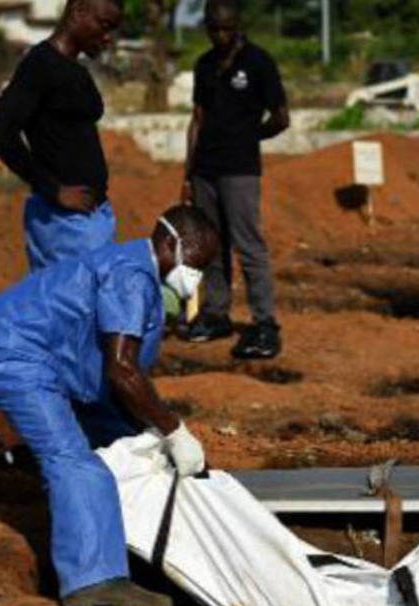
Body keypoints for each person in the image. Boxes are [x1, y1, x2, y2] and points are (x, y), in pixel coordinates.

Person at [0, 205, 218, 606]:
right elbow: (121, 369)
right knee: (74, 460)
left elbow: (120, 375)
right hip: (17, 355)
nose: (195, 278)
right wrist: (173, 430)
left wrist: (148, 431)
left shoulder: (138, 273)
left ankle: (119, 543)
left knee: (123, 438)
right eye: (195, 265)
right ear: (171, 244)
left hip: (49, 358)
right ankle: (93, 581)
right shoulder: (131, 276)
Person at [180, 0, 289, 359]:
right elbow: (197, 119)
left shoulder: (258, 63)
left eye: (225, 27)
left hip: (240, 170)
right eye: (213, 28)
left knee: (248, 245)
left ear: (237, 25)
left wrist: (250, 137)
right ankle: (216, 313)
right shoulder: (205, 65)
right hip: (205, 170)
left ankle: (264, 323)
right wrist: (188, 173)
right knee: (212, 245)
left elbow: (281, 117)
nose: (219, 34)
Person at [0, 0, 122, 271]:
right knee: (77, 305)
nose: (108, 38)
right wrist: (53, 189)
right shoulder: (39, 66)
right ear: (79, 11)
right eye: (104, 26)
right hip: (64, 223)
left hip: (89, 217)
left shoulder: (76, 71)